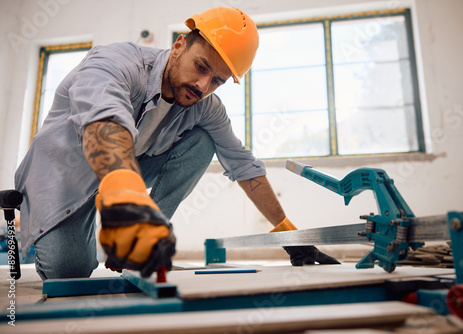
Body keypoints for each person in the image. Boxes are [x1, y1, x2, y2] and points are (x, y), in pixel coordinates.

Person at [15, 7, 339, 280]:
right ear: (179, 45)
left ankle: (142, 235)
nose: (202, 85)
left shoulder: (204, 107)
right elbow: (105, 121)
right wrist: (125, 192)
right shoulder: (117, 63)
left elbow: (243, 165)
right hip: (62, 179)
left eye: (217, 81)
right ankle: (42, 225)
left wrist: (289, 233)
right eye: (201, 67)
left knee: (203, 141)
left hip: (125, 172)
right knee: (70, 272)